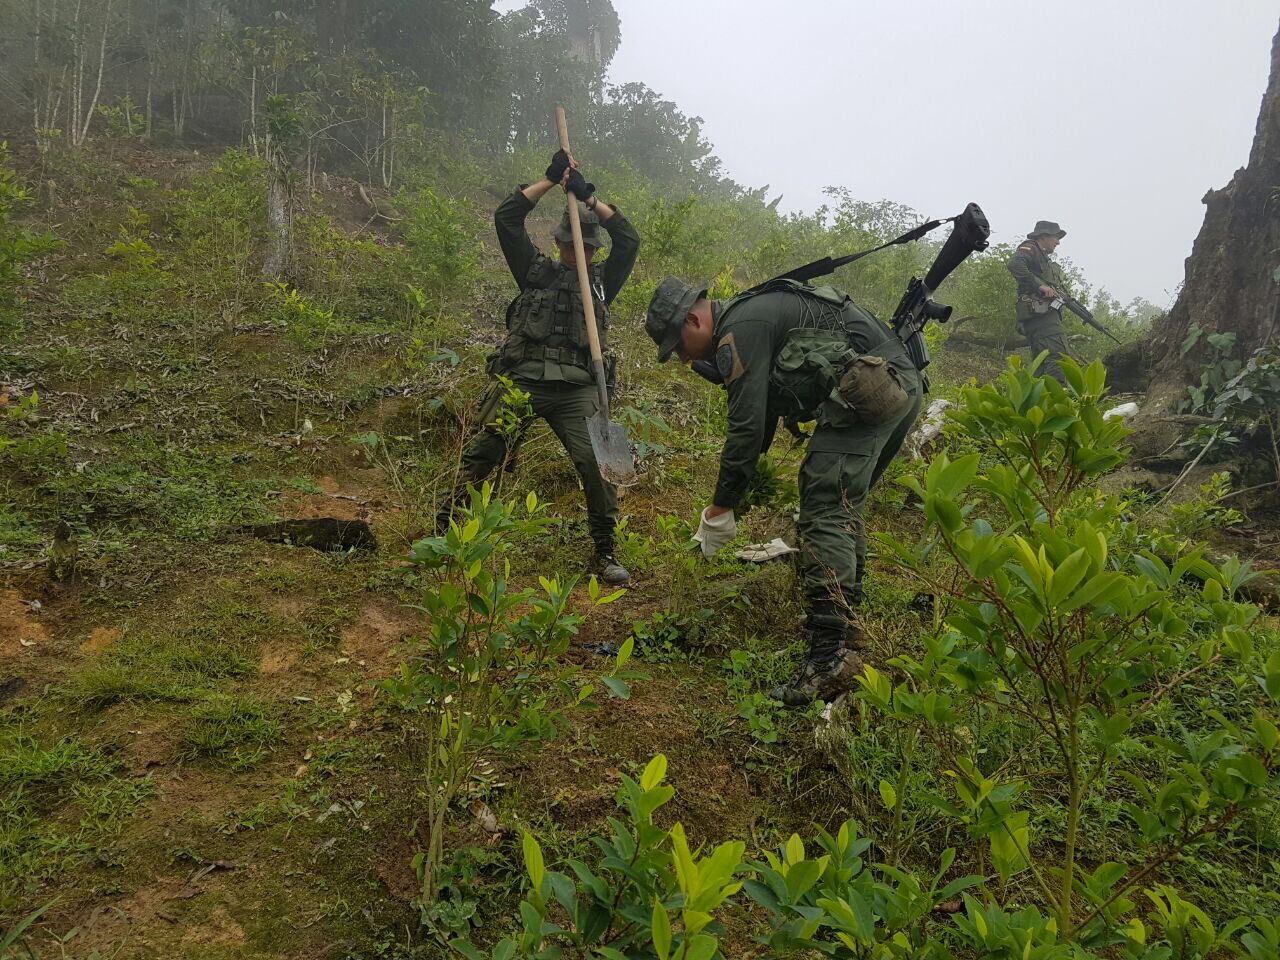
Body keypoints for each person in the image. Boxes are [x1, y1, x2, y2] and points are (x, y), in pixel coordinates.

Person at [645, 276, 922, 706]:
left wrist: (721, 506)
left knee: (826, 508)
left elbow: (747, 425)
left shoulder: (740, 329)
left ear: (694, 320)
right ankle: (846, 628)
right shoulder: (746, 317)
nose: (682, 359)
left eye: (678, 347)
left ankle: (827, 660)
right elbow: (765, 416)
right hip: (893, 384)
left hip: (874, 387)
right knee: (843, 506)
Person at [436, 150, 640, 585]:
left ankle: (605, 552)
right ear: (558, 242)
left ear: (592, 247)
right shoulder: (534, 271)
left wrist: (589, 199)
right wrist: (549, 181)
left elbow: (630, 240)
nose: (576, 251)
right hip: (524, 380)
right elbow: (506, 220)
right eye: (569, 244)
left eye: (584, 246)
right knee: (484, 451)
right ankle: (444, 532)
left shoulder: (602, 283)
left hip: (578, 390)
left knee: (597, 464)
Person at [1006, 220, 1072, 384]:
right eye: (1056, 237)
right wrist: (1041, 286)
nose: (1058, 242)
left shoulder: (1043, 258)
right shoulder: (1031, 248)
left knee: (1042, 363)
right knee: (1059, 357)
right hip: (1040, 315)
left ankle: (1037, 404)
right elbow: (1014, 264)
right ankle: (1056, 400)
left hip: (1039, 315)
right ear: (1043, 236)